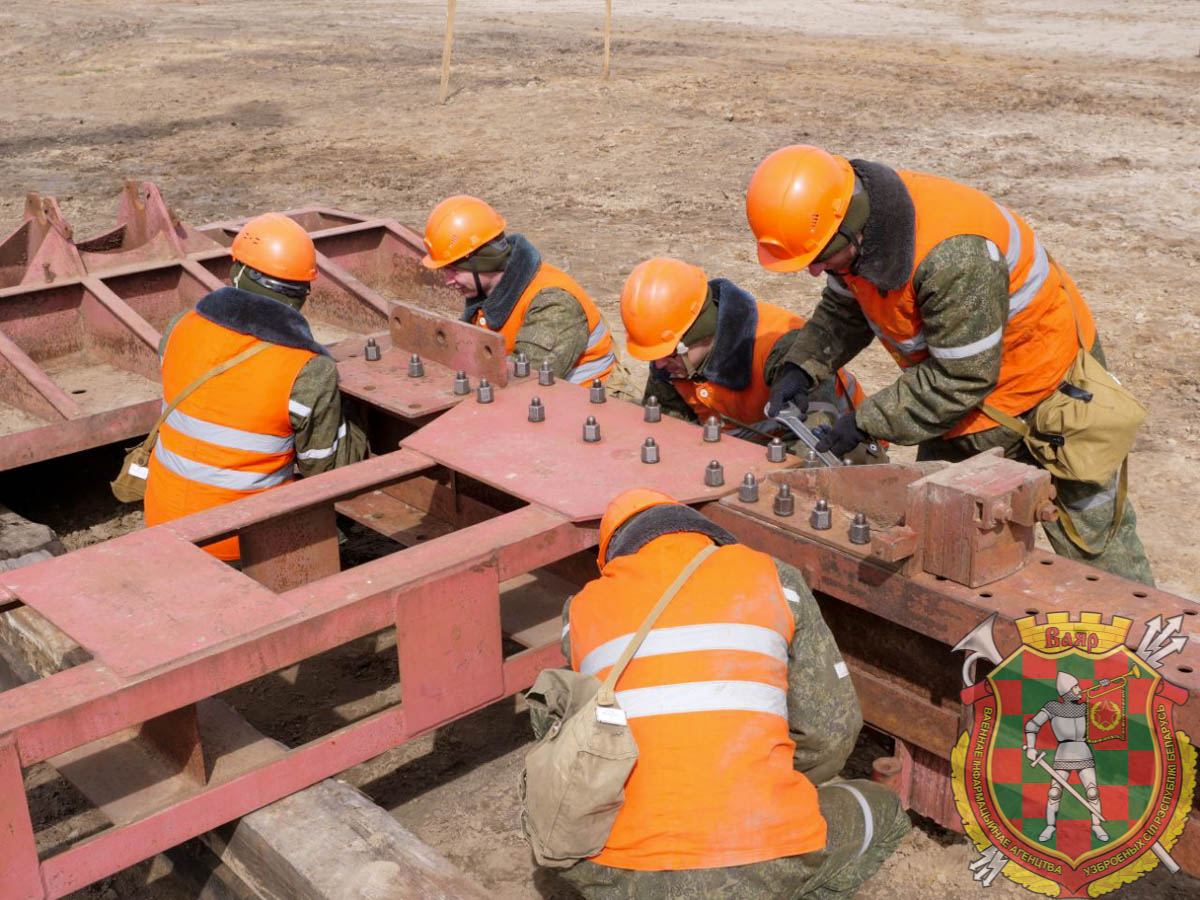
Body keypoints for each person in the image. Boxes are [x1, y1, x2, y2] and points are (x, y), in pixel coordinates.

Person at [746, 144, 1153, 584]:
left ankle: (1145, 646)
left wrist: (865, 424)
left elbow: (961, 376)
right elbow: (846, 309)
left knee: (1096, 548)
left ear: (851, 228)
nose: (815, 272)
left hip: (1047, 396)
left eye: (822, 259)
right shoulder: (856, 226)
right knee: (936, 536)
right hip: (957, 400)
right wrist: (800, 367)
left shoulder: (954, 255)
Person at [530, 488, 909, 898]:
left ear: (610, 557)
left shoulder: (582, 607)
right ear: (702, 533)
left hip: (614, 872)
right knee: (880, 810)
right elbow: (832, 733)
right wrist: (757, 774)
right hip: (759, 859)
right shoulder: (772, 575)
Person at [144, 212, 366, 562]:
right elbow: (330, 475)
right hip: (242, 545)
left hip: (161, 523)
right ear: (304, 291)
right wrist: (351, 419)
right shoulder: (307, 370)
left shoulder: (179, 328)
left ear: (236, 272)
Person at [620, 256, 884, 462]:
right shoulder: (673, 360)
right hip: (752, 452)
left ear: (699, 333)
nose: (658, 366)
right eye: (654, 356)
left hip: (843, 447)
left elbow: (813, 447)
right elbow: (665, 434)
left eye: (666, 354)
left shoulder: (781, 347)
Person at [421, 195, 633, 395]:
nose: (447, 280)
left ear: (482, 261)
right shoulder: (486, 292)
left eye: (454, 269)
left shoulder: (553, 304)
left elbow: (527, 381)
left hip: (590, 405)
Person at [1025, 672, 1109, 843]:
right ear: (1068, 690)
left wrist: (1105, 687)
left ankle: (1096, 825)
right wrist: (1031, 747)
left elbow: (1104, 707)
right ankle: (1050, 826)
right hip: (1063, 752)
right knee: (1054, 793)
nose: (1080, 689)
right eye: (1076, 687)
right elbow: (1032, 725)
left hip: (1083, 751)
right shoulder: (1052, 707)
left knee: (1092, 792)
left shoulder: (1084, 707)